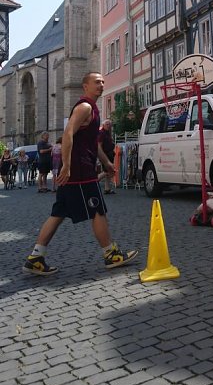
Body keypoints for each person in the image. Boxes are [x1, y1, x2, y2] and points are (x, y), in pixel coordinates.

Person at [22, 72, 138, 277]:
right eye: (97, 82)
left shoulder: (92, 109)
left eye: (103, 82)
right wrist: (66, 165)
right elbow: (67, 133)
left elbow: (93, 143)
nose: (101, 85)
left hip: (78, 169)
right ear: (85, 86)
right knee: (97, 210)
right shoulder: (85, 107)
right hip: (80, 170)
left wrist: (106, 162)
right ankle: (111, 254)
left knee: (58, 213)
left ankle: (35, 258)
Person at [98, 120, 115, 194]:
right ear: (103, 125)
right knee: (106, 171)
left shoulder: (108, 133)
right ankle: (93, 182)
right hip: (105, 154)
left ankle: (107, 188)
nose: (109, 125)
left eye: (110, 124)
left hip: (110, 153)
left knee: (108, 171)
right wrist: (101, 155)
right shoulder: (101, 133)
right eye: (107, 124)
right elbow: (99, 145)